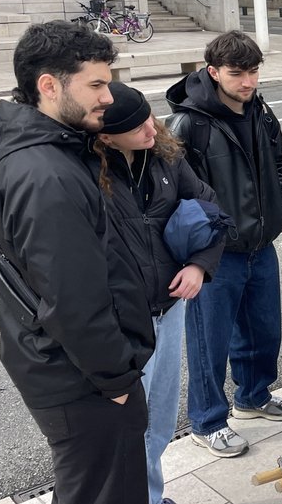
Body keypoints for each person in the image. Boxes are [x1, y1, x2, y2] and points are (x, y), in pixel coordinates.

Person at [0, 21, 153, 504]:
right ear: (49, 86)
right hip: (83, 380)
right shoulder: (46, 174)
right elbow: (73, 300)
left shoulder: (55, 152)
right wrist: (116, 381)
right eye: (96, 85)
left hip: (73, 370)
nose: (108, 97)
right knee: (104, 491)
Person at [166, 31, 282, 458]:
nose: (247, 82)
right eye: (236, 73)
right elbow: (171, 192)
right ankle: (207, 421)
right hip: (215, 256)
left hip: (261, 243)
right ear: (213, 72)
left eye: (253, 71)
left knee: (264, 331)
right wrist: (200, 250)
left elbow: (279, 161)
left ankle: (254, 395)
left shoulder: (260, 110)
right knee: (210, 343)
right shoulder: (189, 123)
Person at [94, 82, 226, 504]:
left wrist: (199, 264)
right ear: (106, 137)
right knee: (127, 423)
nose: (152, 129)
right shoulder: (87, 174)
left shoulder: (165, 156)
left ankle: (150, 495)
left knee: (162, 419)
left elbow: (210, 207)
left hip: (169, 309)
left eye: (149, 117)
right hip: (123, 318)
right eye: (137, 127)